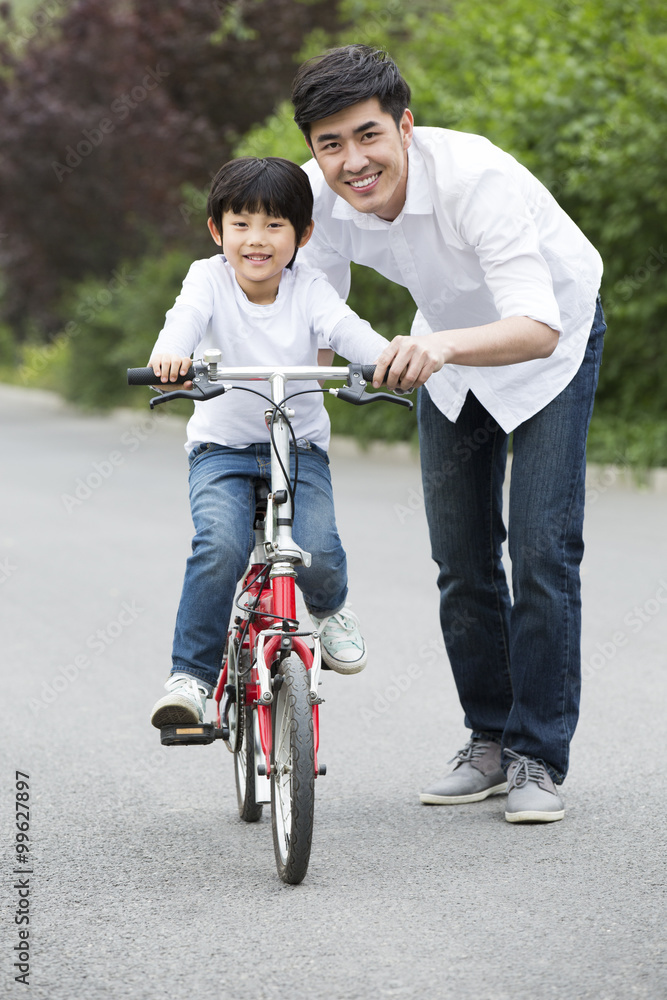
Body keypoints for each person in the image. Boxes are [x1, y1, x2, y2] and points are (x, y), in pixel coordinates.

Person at [291, 44, 605, 822]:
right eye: (329, 144)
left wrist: (437, 346)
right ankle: (490, 739)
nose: (352, 162)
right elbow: (314, 325)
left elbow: (535, 327)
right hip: (448, 350)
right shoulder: (313, 200)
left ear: (404, 125)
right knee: (460, 556)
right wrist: (297, 414)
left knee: (539, 550)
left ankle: (538, 756)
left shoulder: (476, 179)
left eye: (367, 136)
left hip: (547, 344)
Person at [149, 155, 389, 729]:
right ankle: (191, 678)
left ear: (303, 235)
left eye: (275, 225)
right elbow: (183, 320)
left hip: (298, 447)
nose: (257, 240)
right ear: (217, 230)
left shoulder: (311, 288)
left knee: (318, 546)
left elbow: (344, 328)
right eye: (241, 224)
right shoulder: (206, 279)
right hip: (222, 452)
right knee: (220, 546)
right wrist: (170, 355)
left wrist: (385, 357)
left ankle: (330, 613)